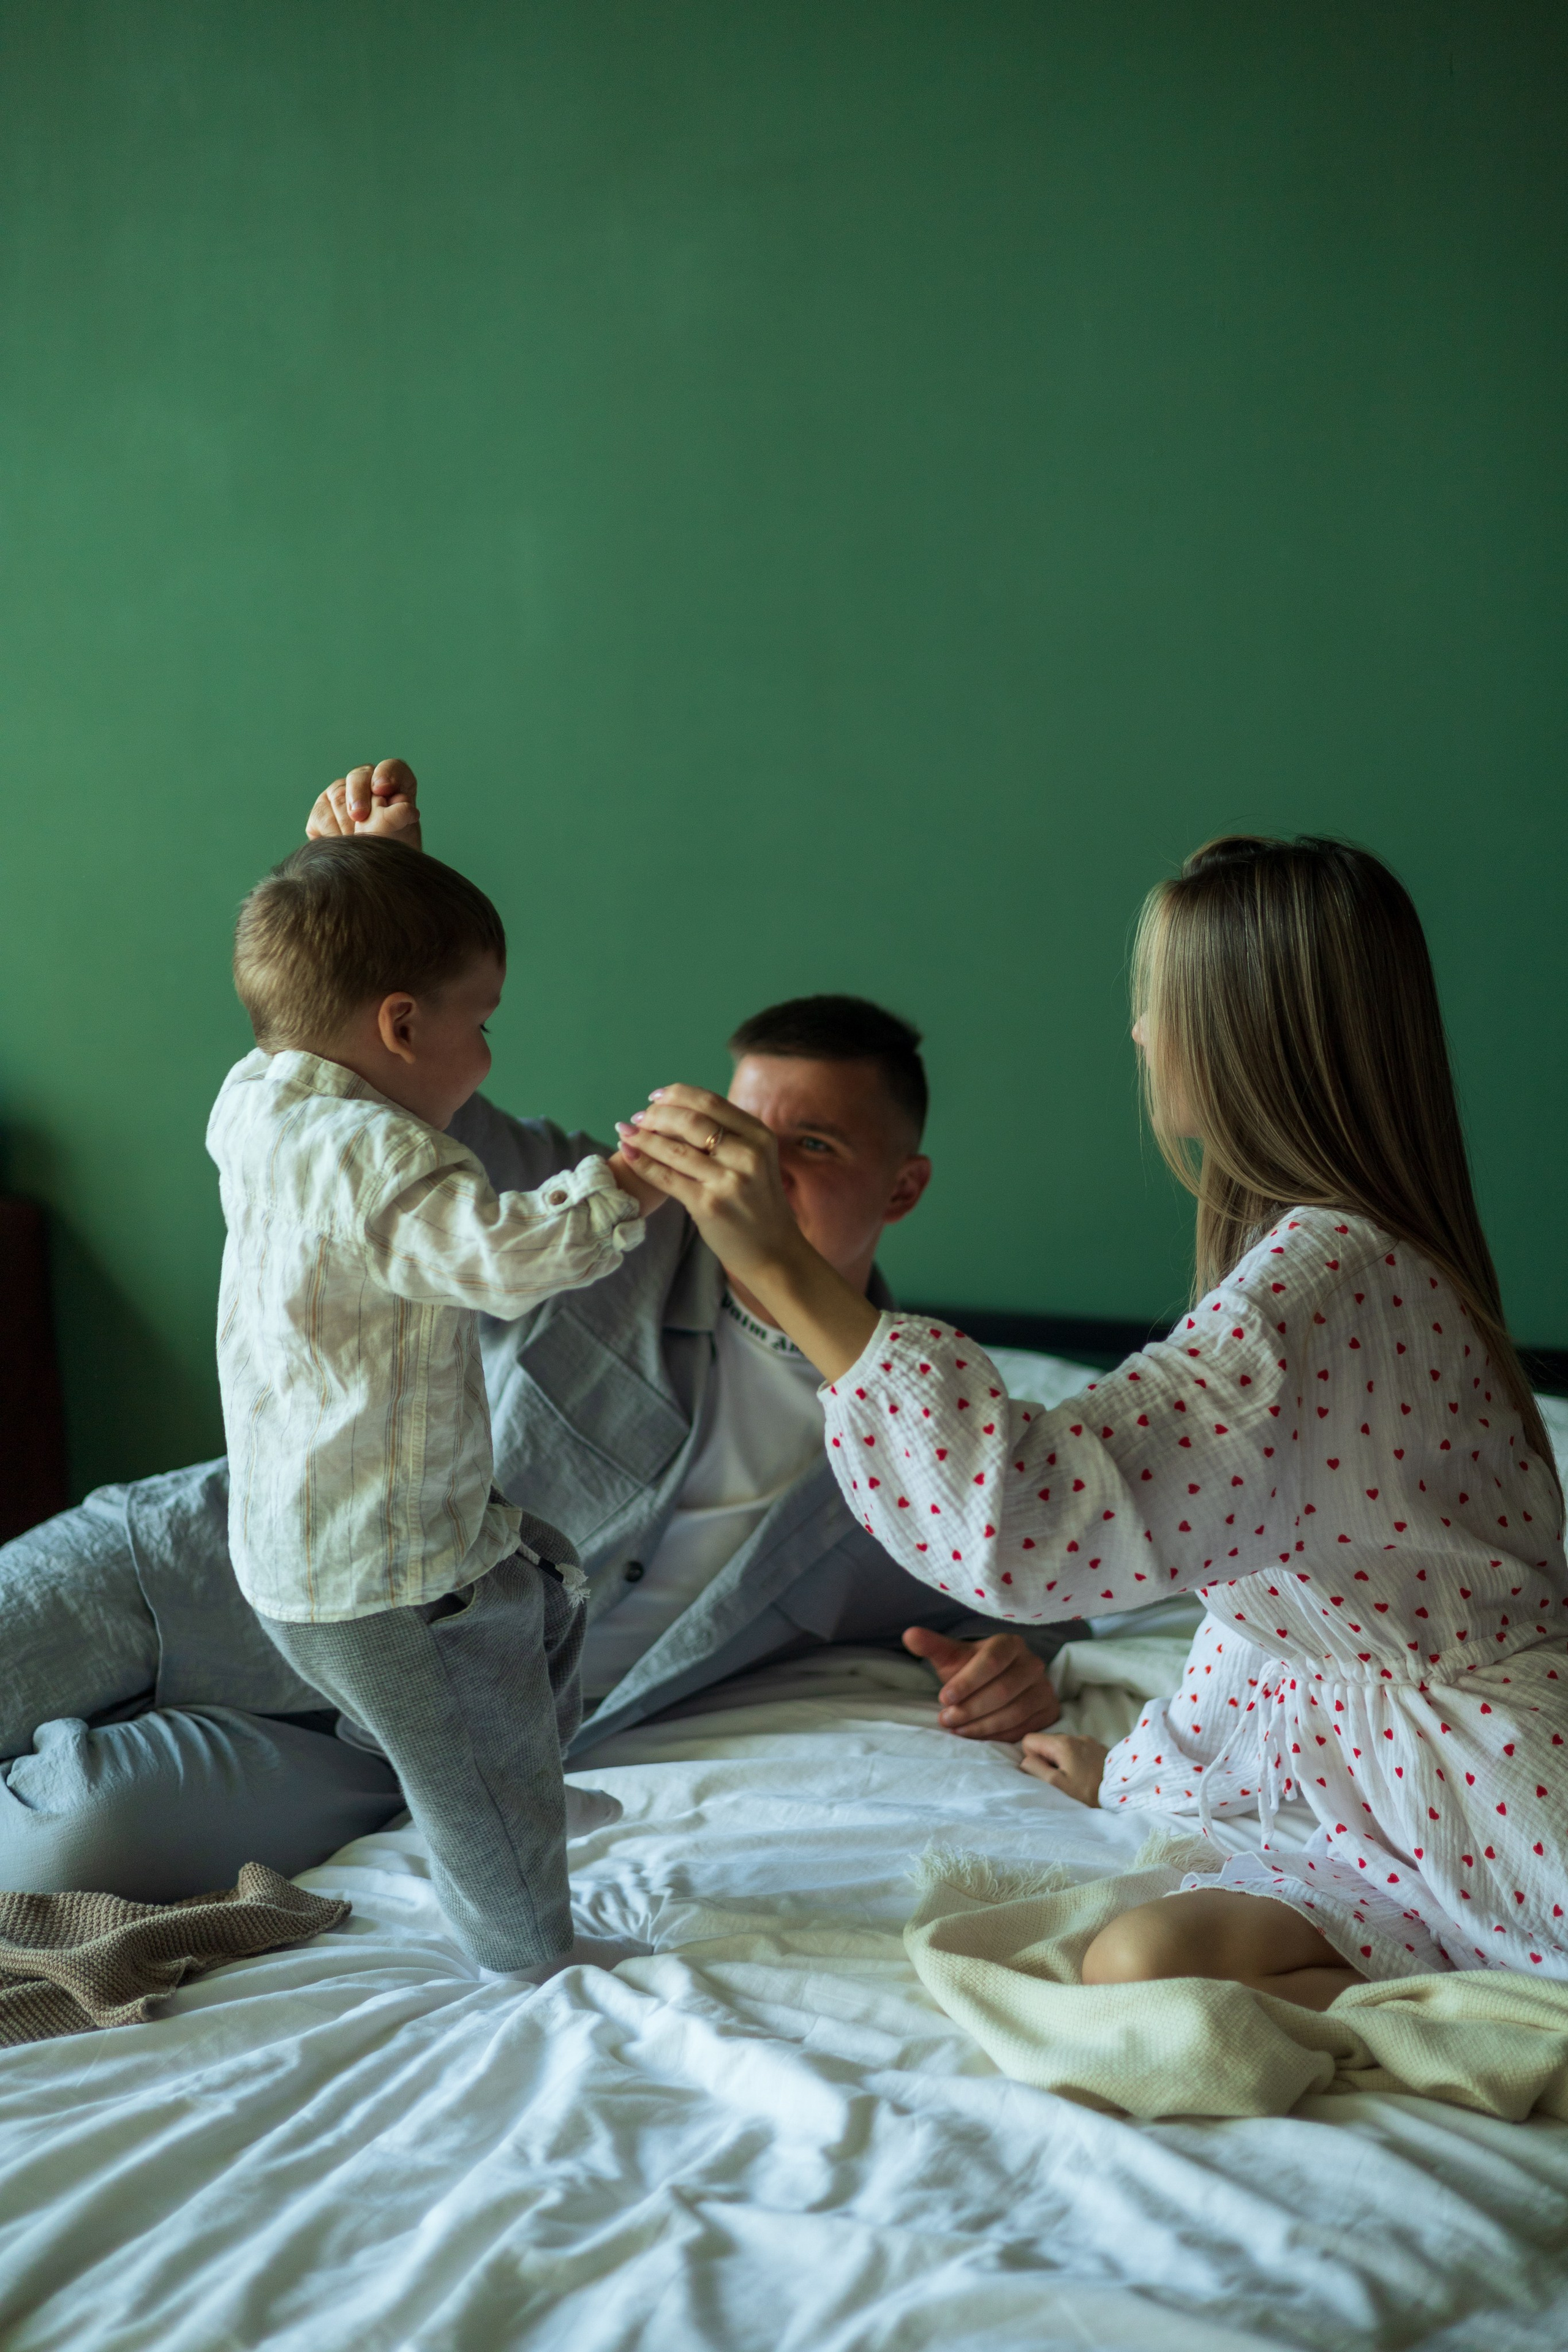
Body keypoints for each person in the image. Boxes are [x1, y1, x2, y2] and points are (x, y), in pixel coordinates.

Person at [0, 763, 1069, 1902]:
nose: (751, 1162)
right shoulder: (582, 1206)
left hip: (410, 1734)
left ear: (902, 1191)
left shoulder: (925, 1420)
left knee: (66, 1848)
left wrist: (1026, 1665)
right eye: (739, 1124)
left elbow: (1020, 1567)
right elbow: (376, 1084)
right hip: (206, 1564)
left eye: (811, 1147)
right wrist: (388, 888)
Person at [618, 834, 1568, 2010]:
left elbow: (1038, 1513)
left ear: (1237, 1034)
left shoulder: (1329, 1285)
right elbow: (1268, 1609)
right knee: (1140, 1961)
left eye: (1153, 1004)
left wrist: (786, 1265)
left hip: (1487, 1805)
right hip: (1364, 1781)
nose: (1135, 1034)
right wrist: (1148, 1769)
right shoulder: (1335, 1262)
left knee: (1131, 1972)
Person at [211, 834, 657, 1972]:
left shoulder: (255, 1102)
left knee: (547, 1583)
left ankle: (529, 1799)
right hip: (391, 1574)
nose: (490, 1055)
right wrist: (627, 1184)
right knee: (477, 1779)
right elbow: (502, 1260)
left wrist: (369, 869)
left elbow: (332, 974)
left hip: (303, 1556)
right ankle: (529, 1951)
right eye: (483, 1023)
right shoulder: (389, 1156)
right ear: (403, 1027)